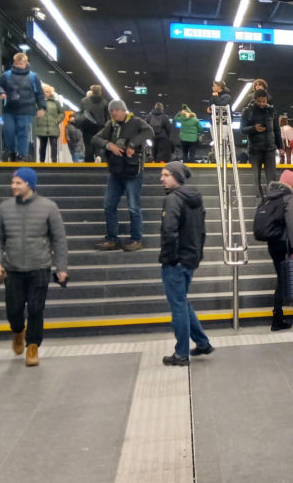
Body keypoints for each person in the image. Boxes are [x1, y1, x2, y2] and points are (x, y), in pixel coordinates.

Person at [0, 168, 68, 367]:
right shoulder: (4, 208)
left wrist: (61, 267)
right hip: (13, 269)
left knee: (35, 309)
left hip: (39, 267)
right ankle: (18, 331)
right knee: (14, 310)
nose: (13, 186)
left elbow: (59, 239)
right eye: (13, 182)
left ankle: (32, 346)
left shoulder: (49, 207)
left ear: (29, 184)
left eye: (17, 182)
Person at [158, 161, 213, 366]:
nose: (161, 178)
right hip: (190, 259)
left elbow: (169, 231)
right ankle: (202, 342)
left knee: (178, 306)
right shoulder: (195, 199)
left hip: (177, 260)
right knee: (182, 301)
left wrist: (171, 258)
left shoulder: (173, 200)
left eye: (166, 175)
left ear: (177, 177)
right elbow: (202, 231)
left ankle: (181, 354)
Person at [92, 99, 154, 251]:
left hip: (132, 172)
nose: (113, 113)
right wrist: (109, 145)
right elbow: (95, 139)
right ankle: (112, 238)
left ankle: (136, 239)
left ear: (123, 110)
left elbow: (149, 132)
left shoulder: (136, 121)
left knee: (134, 207)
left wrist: (133, 144)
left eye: (115, 110)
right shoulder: (110, 125)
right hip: (115, 172)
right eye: (111, 111)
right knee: (109, 205)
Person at [263, 169, 293, 331]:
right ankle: (277, 318)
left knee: (282, 277)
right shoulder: (289, 198)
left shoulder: (270, 196)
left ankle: (279, 315)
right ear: (290, 184)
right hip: (283, 242)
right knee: (282, 280)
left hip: (272, 242)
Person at [0, 52, 46, 162]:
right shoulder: (6, 75)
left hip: (26, 110)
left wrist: (42, 107)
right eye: (17, 63)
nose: (19, 66)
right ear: (14, 63)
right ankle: (12, 151)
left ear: (26, 63)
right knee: (9, 132)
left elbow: (39, 93)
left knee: (23, 132)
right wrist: (1, 93)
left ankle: (22, 155)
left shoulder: (33, 77)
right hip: (9, 109)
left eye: (21, 64)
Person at [241, 89, 280, 196]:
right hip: (255, 149)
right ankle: (259, 200)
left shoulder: (271, 111)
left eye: (264, 101)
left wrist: (280, 146)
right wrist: (254, 128)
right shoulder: (247, 111)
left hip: (270, 149)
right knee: (255, 178)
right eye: (259, 101)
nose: (262, 104)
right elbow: (242, 129)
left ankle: (272, 200)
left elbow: (277, 129)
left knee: (272, 178)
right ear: (254, 100)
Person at [79, 84, 110, 159]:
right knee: (99, 148)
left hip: (87, 129)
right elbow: (107, 118)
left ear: (91, 91)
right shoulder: (104, 102)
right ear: (100, 92)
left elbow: (81, 115)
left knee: (88, 149)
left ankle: (88, 167)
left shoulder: (83, 101)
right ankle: (99, 157)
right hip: (100, 129)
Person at [34, 84, 63, 162]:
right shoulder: (38, 103)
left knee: (54, 145)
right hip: (41, 128)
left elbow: (61, 113)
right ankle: (42, 162)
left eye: (47, 92)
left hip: (53, 127)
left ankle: (54, 162)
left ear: (50, 93)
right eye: (44, 91)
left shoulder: (56, 103)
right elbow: (33, 111)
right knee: (42, 146)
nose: (45, 93)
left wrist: (57, 121)